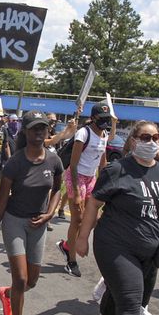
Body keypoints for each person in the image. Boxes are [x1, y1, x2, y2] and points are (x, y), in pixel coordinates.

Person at [76, 121, 159, 315]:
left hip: (149, 249)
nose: (152, 142)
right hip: (115, 246)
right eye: (145, 137)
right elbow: (93, 204)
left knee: (116, 290)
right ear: (132, 140)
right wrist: (82, 237)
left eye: (156, 137)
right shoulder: (117, 170)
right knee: (131, 298)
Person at [0, 111, 63, 315]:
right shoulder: (15, 163)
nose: (39, 132)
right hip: (15, 221)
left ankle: (8, 294)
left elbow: (57, 190)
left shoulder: (54, 161)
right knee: (20, 277)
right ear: (25, 132)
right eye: (34, 128)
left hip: (38, 224)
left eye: (43, 128)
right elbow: (1, 202)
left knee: (31, 280)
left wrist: (50, 213)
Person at [58, 102, 111, 277]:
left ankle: (67, 244)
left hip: (91, 178)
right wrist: (77, 193)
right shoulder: (83, 133)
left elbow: (102, 164)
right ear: (94, 118)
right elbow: (73, 165)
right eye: (102, 119)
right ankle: (71, 260)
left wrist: (105, 187)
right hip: (77, 175)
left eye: (107, 119)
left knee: (94, 219)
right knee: (78, 219)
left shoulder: (104, 135)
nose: (105, 122)